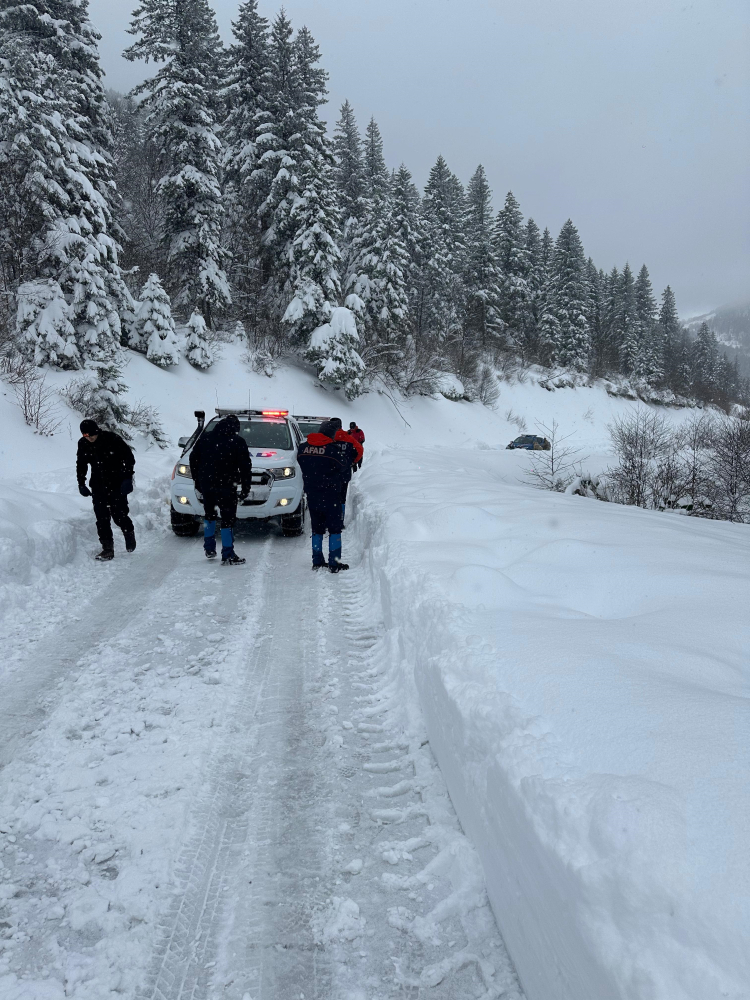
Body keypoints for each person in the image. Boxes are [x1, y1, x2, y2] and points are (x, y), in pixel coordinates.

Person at [189, 414, 252, 565]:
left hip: (207, 484)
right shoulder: (237, 442)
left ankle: (209, 547)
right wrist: (245, 487)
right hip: (227, 485)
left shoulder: (205, 438)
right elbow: (245, 467)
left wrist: (198, 480)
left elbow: (193, 458)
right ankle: (228, 553)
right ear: (235, 428)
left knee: (209, 514)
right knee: (227, 519)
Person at [297, 419, 355, 572]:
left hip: (312, 495)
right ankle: (334, 563)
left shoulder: (303, 448)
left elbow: (300, 462)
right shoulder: (332, 450)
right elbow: (344, 467)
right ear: (331, 434)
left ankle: (317, 560)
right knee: (335, 529)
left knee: (317, 528)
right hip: (331, 496)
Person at [76, 419, 136, 561]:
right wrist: (81, 483)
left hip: (117, 483)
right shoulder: (83, 443)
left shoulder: (112, 439)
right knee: (101, 517)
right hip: (98, 484)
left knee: (119, 515)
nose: (89, 438)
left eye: (91, 435)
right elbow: (81, 464)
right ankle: (107, 549)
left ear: (96, 431)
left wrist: (127, 478)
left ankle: (129, 532)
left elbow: (129, 458)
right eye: (85, 436)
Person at [328, 418, 363, 527]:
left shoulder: (328, 438)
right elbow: (360, 450)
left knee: (328, 496)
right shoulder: (349, 438)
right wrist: (353, 461)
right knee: (341, 497)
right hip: (344, 472)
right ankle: (339, 521)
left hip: (329, 473)